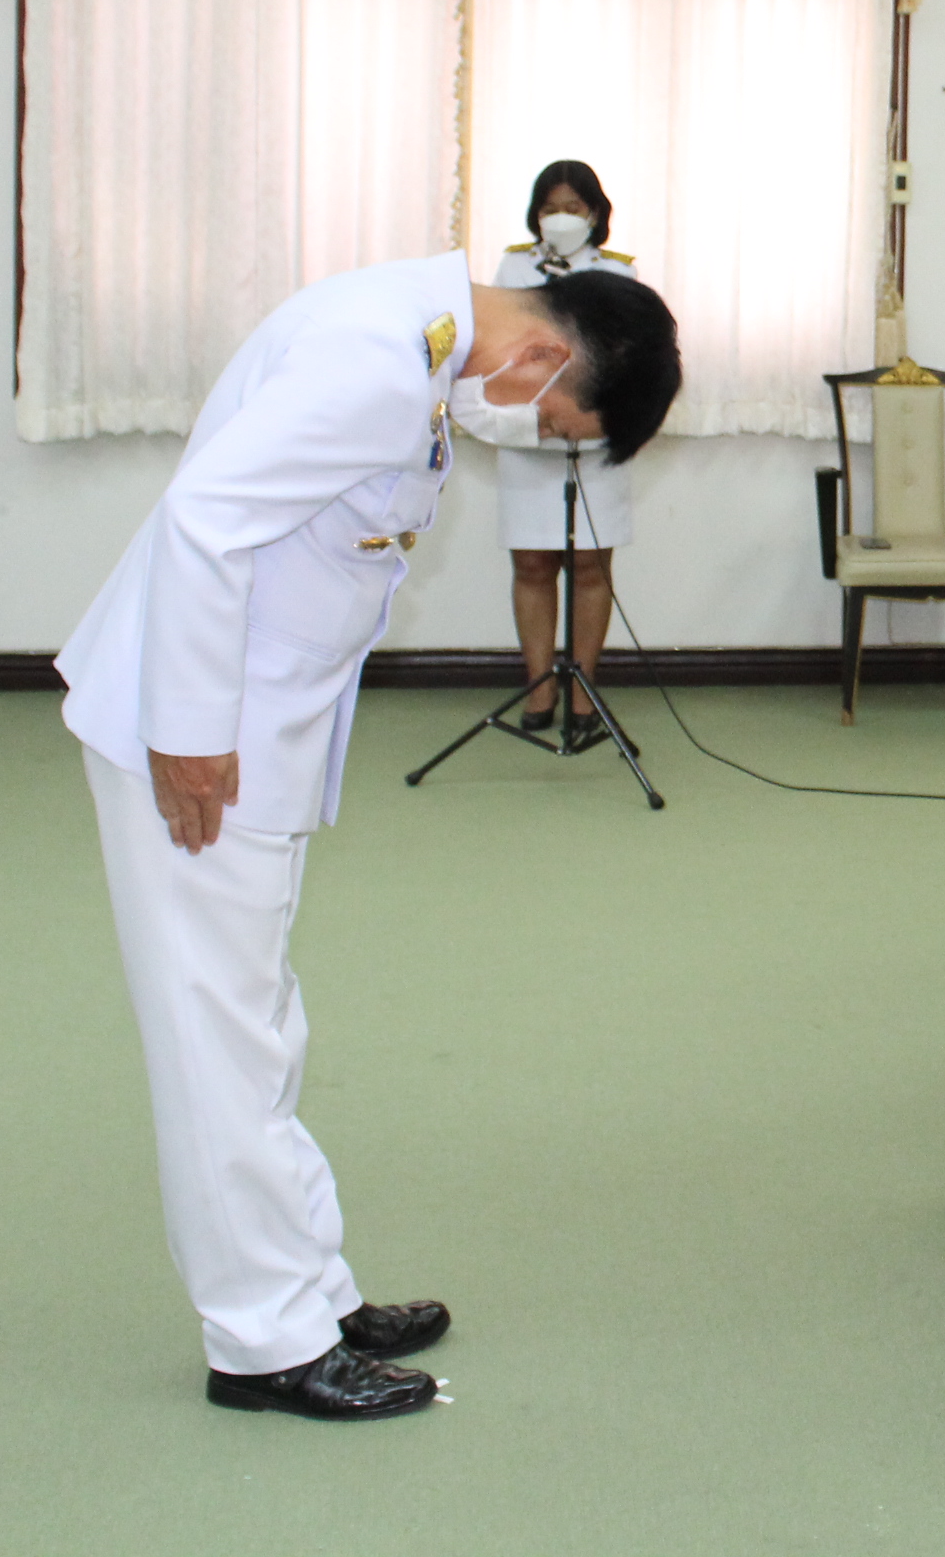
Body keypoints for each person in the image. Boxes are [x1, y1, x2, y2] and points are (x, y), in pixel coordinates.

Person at [56, 248, 680, 1419]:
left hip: (249, 729)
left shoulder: (419, 341)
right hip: (202, 736)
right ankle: (264, 1343)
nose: (533, 434)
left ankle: (309, 1289)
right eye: (556, 421)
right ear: (544, 355)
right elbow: (204, 521)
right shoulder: (376, 367)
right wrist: (188, 731)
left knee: (259, 1019)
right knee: (218, 1038)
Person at [491, 161, 652, 748]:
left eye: (574, 207)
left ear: (596, 213)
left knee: (591, 566)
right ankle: (539, 688)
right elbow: (493, 346)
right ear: (536, 213)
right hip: (529, 431)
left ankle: (583, 691)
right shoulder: (513, 265)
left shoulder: (618, 272)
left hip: (595, 438)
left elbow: (635, 355)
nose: (561, 217)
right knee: (532, 564)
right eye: (550, 207)